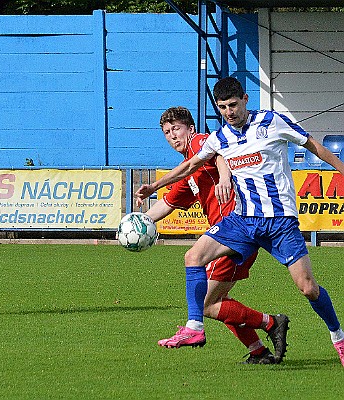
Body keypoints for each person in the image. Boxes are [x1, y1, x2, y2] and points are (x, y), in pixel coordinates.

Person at [135, 78, 344, 367]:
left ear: (245, 99)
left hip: (279, 221)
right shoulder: (220, 137)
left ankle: (337, 337)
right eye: (222, 107)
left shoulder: (271, 122)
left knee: (307, 287)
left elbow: (314, 146)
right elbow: (189, 166)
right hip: (242, 221)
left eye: (233, 105)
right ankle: (195, 327)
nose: (229, 112)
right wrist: (153, 187)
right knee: (193, 257)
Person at [144, 106, 289, 364]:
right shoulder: (189, 170)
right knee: (216, 300)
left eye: (176, 128)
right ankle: (258, 350)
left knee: (206, 303)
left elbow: (221, 153)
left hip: (237, 232)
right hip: (224, 236)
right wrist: (140, 222)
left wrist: (224, 178)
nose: (172, 136)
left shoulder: (200, 142)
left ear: (191, 128)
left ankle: (271, 323)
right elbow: (168, 203)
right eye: (167, 132)